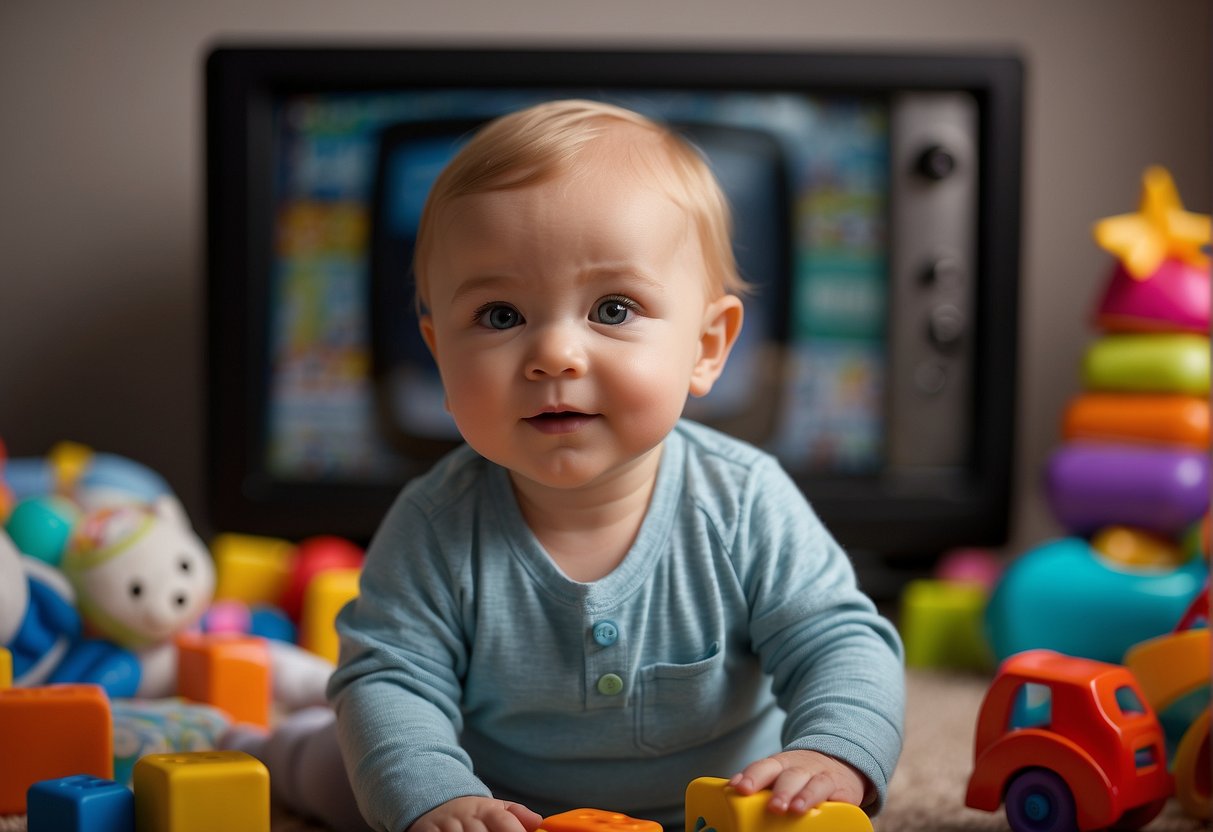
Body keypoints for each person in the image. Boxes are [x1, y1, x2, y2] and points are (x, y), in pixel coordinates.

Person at [237, 98, 904, 832]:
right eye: (500, 315)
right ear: (438, 350)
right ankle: (265, 742)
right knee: (349, 768)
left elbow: (838, 641)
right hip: (497, 803)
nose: (555, 353)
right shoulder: (436, 524)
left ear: (707, 347)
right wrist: (438, 800)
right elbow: (392, 677)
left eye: (612, 309)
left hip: (719, 807)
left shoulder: (744, 501)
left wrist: (832, 751)